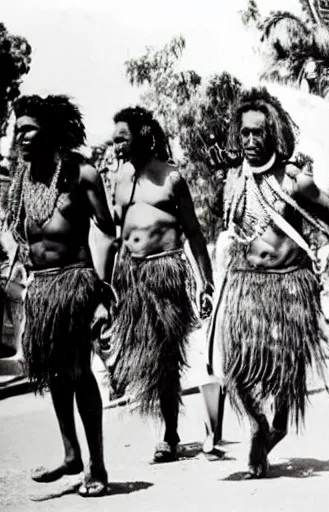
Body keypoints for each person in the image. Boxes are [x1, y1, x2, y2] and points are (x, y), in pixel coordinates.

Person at [207, 87, 329, 478]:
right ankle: (256, 423)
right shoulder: (234, 180)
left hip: (289, 288)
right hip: (247, 285)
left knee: (285, 376)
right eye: (244, 133)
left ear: (274, 134)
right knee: (231, 368)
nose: (250, 140)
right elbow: (232, 227)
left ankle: (274, 430)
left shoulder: (295, 180)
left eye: (258, 133)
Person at [5, 95, 117, 497]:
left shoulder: (81, 173)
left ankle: (98, 466)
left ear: (49, 130)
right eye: (17, 130)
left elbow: (106, 231)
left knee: (77, 371)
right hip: (41, 289)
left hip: (74, 283)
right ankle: (71, 454)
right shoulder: (22, 179)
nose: (21, 137)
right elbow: (20, 235)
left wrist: (102, 292)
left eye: (28, 129)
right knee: (54, 373)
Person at [109, 106, 215, 463]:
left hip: (165, 274)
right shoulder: (119, 178)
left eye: (122, 136)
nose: (116, 143)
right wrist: (107, 285)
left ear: (140, 134)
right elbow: (113, 233)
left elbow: (195, 233)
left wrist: (205, 282)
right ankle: (163, 427)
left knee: (167, 360)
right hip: (131, 277)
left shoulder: (171, 177)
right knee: (143, 358)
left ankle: (169, 434)